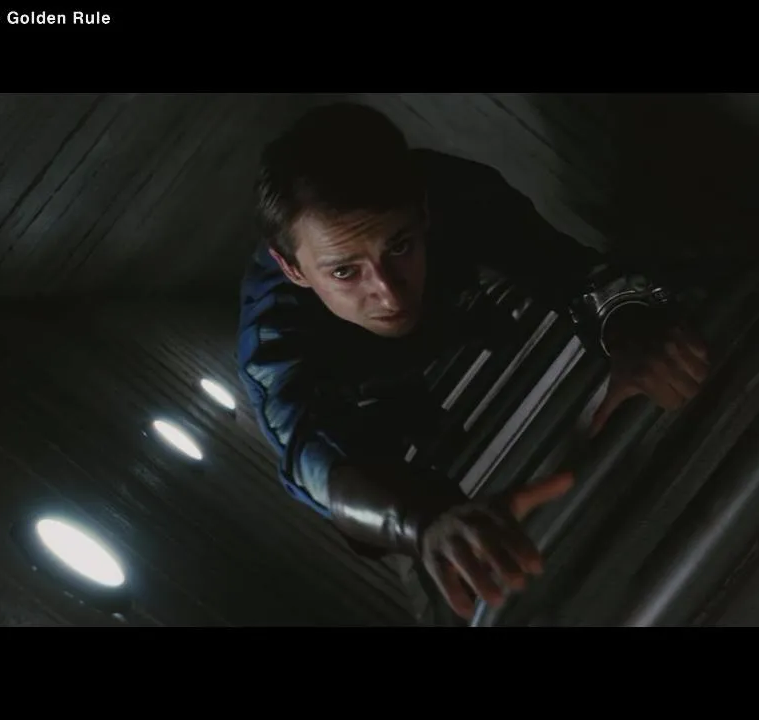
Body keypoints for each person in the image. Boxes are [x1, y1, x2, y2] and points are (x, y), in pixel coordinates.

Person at [236, 102, 709, 622]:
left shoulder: (454, 192)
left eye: (399, 246)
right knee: (403, 490)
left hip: (452, 311)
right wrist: (421, 524)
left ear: (423, 211)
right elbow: (315, 460)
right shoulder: (274, 336)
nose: (387, 292)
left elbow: (564, 267)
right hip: (364, 396)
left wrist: (627, 326)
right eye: (345, 272)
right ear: (293, 269)